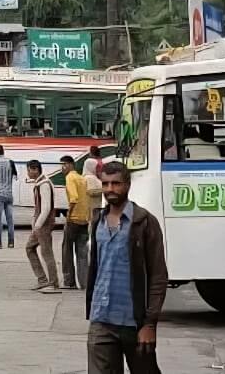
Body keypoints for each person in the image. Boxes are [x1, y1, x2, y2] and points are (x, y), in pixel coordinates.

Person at [86, 160, 168, 374]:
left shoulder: (144, 222)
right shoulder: (98, 222)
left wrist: (150, 324)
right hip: (101, 320)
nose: (109, 190)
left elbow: (158, 276)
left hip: (135, 323)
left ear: (128, 185)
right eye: (105, 184)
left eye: (116, 184)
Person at [22, 159, 61, 292]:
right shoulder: (40, 183)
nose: (27, 172)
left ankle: (52, 282)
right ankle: (43, 280)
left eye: (29, 170)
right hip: (40, 224)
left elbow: (46, 207)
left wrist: (38, 224)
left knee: (46, 252)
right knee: (30, 248)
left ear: (35, 170)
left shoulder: (44, 184)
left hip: (44, 224)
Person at [61, 155, 91, 289]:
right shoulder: (82, 178)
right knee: (82, 253)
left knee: (67, 251)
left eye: (63, 165)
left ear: (69, 165)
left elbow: (74, 198)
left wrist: (68, 214)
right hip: (84, 219)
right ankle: (84, 283)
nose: (61, 168)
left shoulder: (70, 178)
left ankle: (69, 281)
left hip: (73, 220)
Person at [84, 150, 106, 218]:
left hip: (95, 208)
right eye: (96, 167)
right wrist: (104, 189)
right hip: (92, 209)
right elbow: (90, 192)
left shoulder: (92, 177)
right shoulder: (89, 178)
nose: (97, 168)